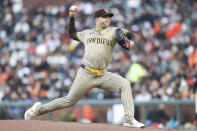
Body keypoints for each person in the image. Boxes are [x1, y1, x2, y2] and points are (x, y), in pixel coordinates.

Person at [24, 5, 145, 128]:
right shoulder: (87, 33)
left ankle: (129, 119)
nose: (108, 19)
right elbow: (72, 34)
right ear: (97, 19)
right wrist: (72, 17)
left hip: (103, 74)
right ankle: (37, 110)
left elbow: (132, 36)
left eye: (109, 17)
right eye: (105, 17)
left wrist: (130, 42)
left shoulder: (114, 31)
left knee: (125, 84)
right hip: (86, 73)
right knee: (69, 101)